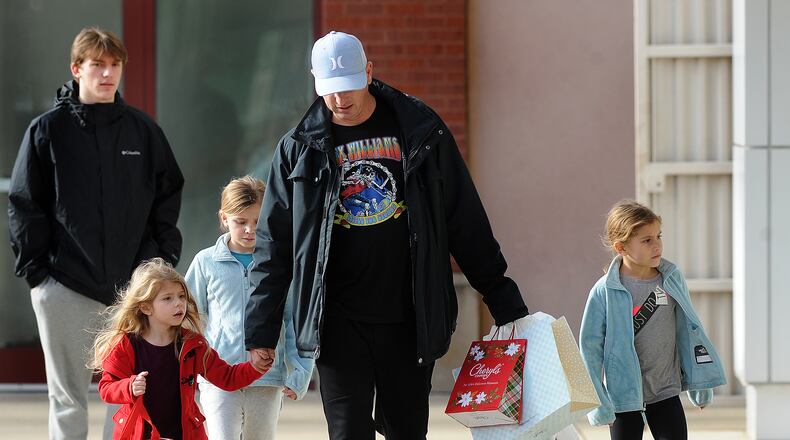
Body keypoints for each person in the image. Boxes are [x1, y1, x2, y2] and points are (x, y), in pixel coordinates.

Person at [244, 30, 529, 439]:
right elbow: (275, 246)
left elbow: (463, 218)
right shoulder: (298, 148)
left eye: (349, 88)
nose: (340, 100)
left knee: (406, 432)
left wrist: (501, 296)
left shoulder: (421, 131)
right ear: (314, 80)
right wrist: (261, 329)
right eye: (330, 91)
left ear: (370, 72)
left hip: (409, 318)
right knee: (347, 433)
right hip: (337, 321)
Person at [7, 26, 184, 439]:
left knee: (128, 394)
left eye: (115, 65)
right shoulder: (46, 132)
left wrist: (160, 260)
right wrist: (38, 276)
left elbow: (168, 193)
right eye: (97, 65)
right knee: (67, 397)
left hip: (131, 290)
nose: (107, 74)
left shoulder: (143, 132)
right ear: (77, 69)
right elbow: (24, 202)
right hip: (63, 285)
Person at [579, 200, 727, 440]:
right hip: (623, 397)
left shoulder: (670, 279)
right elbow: (589, 348)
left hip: (665, 391)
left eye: (658, 236)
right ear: (621, 248)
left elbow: (690, 332)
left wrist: (701, 382)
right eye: (646, 240)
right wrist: (599, 401)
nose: (657, 245)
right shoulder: (605, 290)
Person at [185, 176, 315, 439]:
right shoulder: (205, 262)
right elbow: (189, 318)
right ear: (224, 219)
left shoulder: (280, 264)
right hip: (218, 377)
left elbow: (294, 321)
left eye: (257, 221)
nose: (249, 230)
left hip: (266, 377)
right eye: (240, 222)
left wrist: (300, 372)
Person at [91, 258, 267, 439]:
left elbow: (227, 378)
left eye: (181, 296)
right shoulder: (125, 345)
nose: (179, 303)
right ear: (145, 307)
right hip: (139, 434)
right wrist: (129, 386)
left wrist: (256, 366)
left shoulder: (193, 344)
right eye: (168, 298)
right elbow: (106, 388)